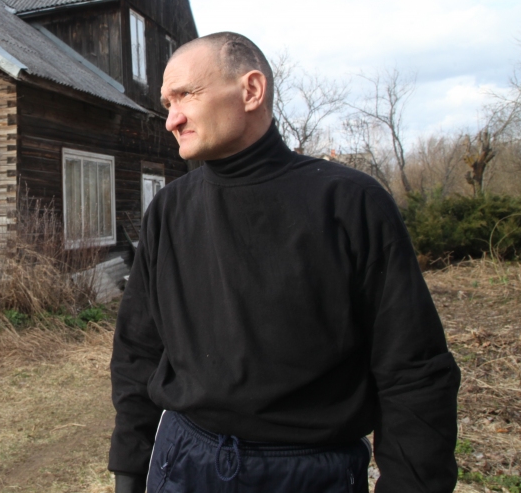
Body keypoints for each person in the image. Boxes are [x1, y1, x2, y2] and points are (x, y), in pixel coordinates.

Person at [109, 32, 459, 493]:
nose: (171, 118)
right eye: (166, 102)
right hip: (183, 463)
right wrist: (131, 467)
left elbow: (413, 368)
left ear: (251, 90)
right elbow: (137, 351)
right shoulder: (170, 211)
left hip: (312, 474)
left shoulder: (350, 204)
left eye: (185, 95)